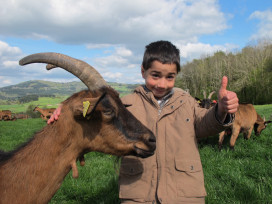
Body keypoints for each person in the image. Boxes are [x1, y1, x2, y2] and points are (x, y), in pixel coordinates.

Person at [48, 40, 239, 203]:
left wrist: (221, 110)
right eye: (155, 75)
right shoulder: (126, 105)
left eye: (170, 77)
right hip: (139, 196)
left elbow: (205, 124)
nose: (162, 84)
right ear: (143, 71)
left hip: (185, 195)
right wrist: (65, 113)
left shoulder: (187, 101)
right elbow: (97, 124)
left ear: (176, 76)